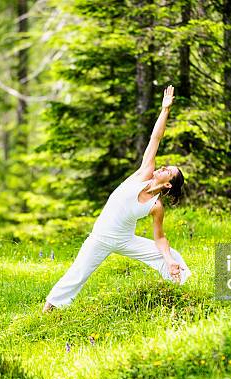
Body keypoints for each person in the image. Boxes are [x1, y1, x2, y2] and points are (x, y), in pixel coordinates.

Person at [43, 85, 191, 312]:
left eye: (167, 171)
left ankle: (184, 293)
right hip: (101, 236)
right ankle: (49, 310)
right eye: (163, 166)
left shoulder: (156, 206)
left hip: (124, 239)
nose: (161, 168)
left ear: (168, 184)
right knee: (78, 273)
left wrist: (169, 260)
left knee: (173, 256)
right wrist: (165, 110)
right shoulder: (144, 173)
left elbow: (160, 239)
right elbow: (155, 138)